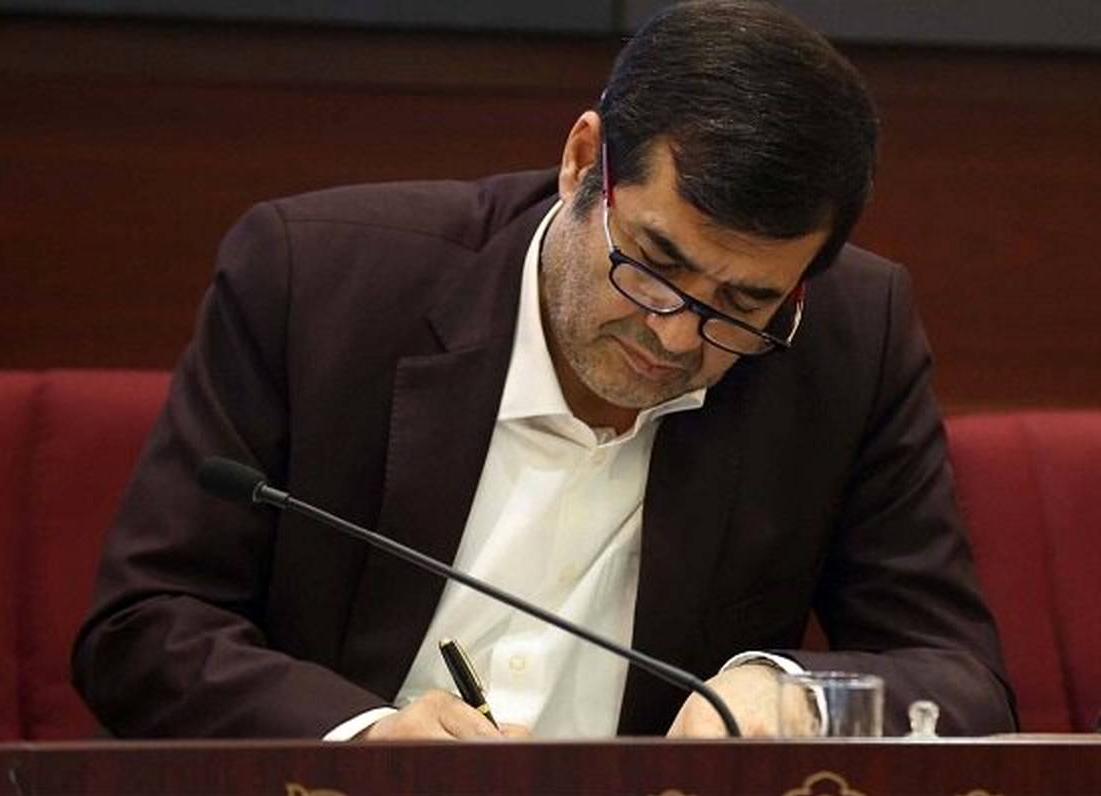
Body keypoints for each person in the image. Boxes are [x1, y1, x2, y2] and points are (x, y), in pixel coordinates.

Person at [72, 0, 1016, 740]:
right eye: (655, 263)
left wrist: (795, 692)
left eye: (742, 303)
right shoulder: (314, 282)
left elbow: (959, 676)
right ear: (582, 162)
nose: (676, 337)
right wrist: (363, 739)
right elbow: (145, 625)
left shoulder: (850, 340)